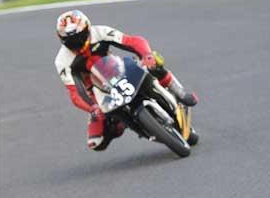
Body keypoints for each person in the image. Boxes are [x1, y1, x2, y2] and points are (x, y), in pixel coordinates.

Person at [54, 9, 198, 151]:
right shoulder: (62, 61)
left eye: (80, 37)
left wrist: (146, 55)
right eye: (71, 42)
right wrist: (92, 108)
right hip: (97, 90)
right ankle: (124, 123)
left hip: (119, 69)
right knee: (96, 142)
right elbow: (74, 92)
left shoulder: (100, 32)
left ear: (88, 28)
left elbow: (132, 41)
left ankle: (178, 91)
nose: (77, 43)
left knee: (154, 61)